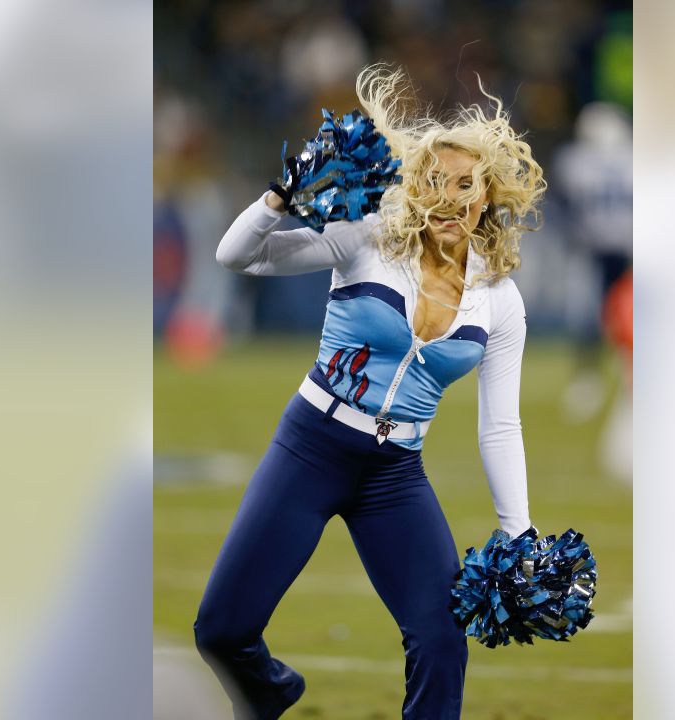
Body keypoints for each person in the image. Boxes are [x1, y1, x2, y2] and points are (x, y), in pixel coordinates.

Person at [193, 65, 546, 720]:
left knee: (442, 635)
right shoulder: (368, 239)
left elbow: (501, 426)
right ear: (414, 188)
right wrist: (282, 194)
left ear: (487, 194)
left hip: (394, 476)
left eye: (465, 185)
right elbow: (236, 257)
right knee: (221, 631)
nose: (448, 199)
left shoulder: (500, 298)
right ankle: (268, 690)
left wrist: (517, 531)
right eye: (433, 182)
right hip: (312, 448)